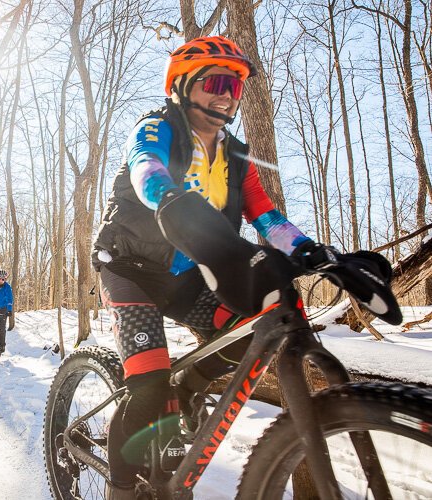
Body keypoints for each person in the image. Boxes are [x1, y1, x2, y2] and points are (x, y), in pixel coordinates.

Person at [91, 36, 399, 498]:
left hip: (189, 272)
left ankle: (189, 385)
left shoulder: (236, 156)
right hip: (131, 268)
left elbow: (267, 218)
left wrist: (314, 252)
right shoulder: (158, 127)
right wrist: (171, 200)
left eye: (234, 88)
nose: (226, 94)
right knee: (150, 386)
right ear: (181, 86)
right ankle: (121, 487)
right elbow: (146, 166)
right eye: (214, 82)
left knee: (254, 326)